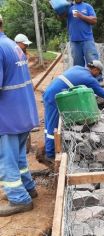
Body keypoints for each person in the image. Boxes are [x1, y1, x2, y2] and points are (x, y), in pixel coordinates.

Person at [0, 14, 40, 216]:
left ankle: (18, 198)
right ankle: (28, 189)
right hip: (22, 112)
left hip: (7, 117)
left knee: (6, 159)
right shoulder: (11, 45)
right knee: (18, 157)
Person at [42, 61, 104, 163]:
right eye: (99, 73)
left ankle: (46, 147)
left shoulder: (77, 67)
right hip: (55, 97)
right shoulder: (90, 79)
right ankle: (50, 154)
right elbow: (102, 93)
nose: (98, 76)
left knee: (48, 124)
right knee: (53, 127)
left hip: (49, 92)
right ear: (95, 69)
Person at [59, 0, 99, 68]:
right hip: (74, 42)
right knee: (78, 66)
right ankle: (80, 78)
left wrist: (81, 16)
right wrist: (61, 9)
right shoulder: (69, 7)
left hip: (87, 40)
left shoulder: (87, 6)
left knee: (93, 63)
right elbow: (60, 17)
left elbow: (94, 20)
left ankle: (97, 79)